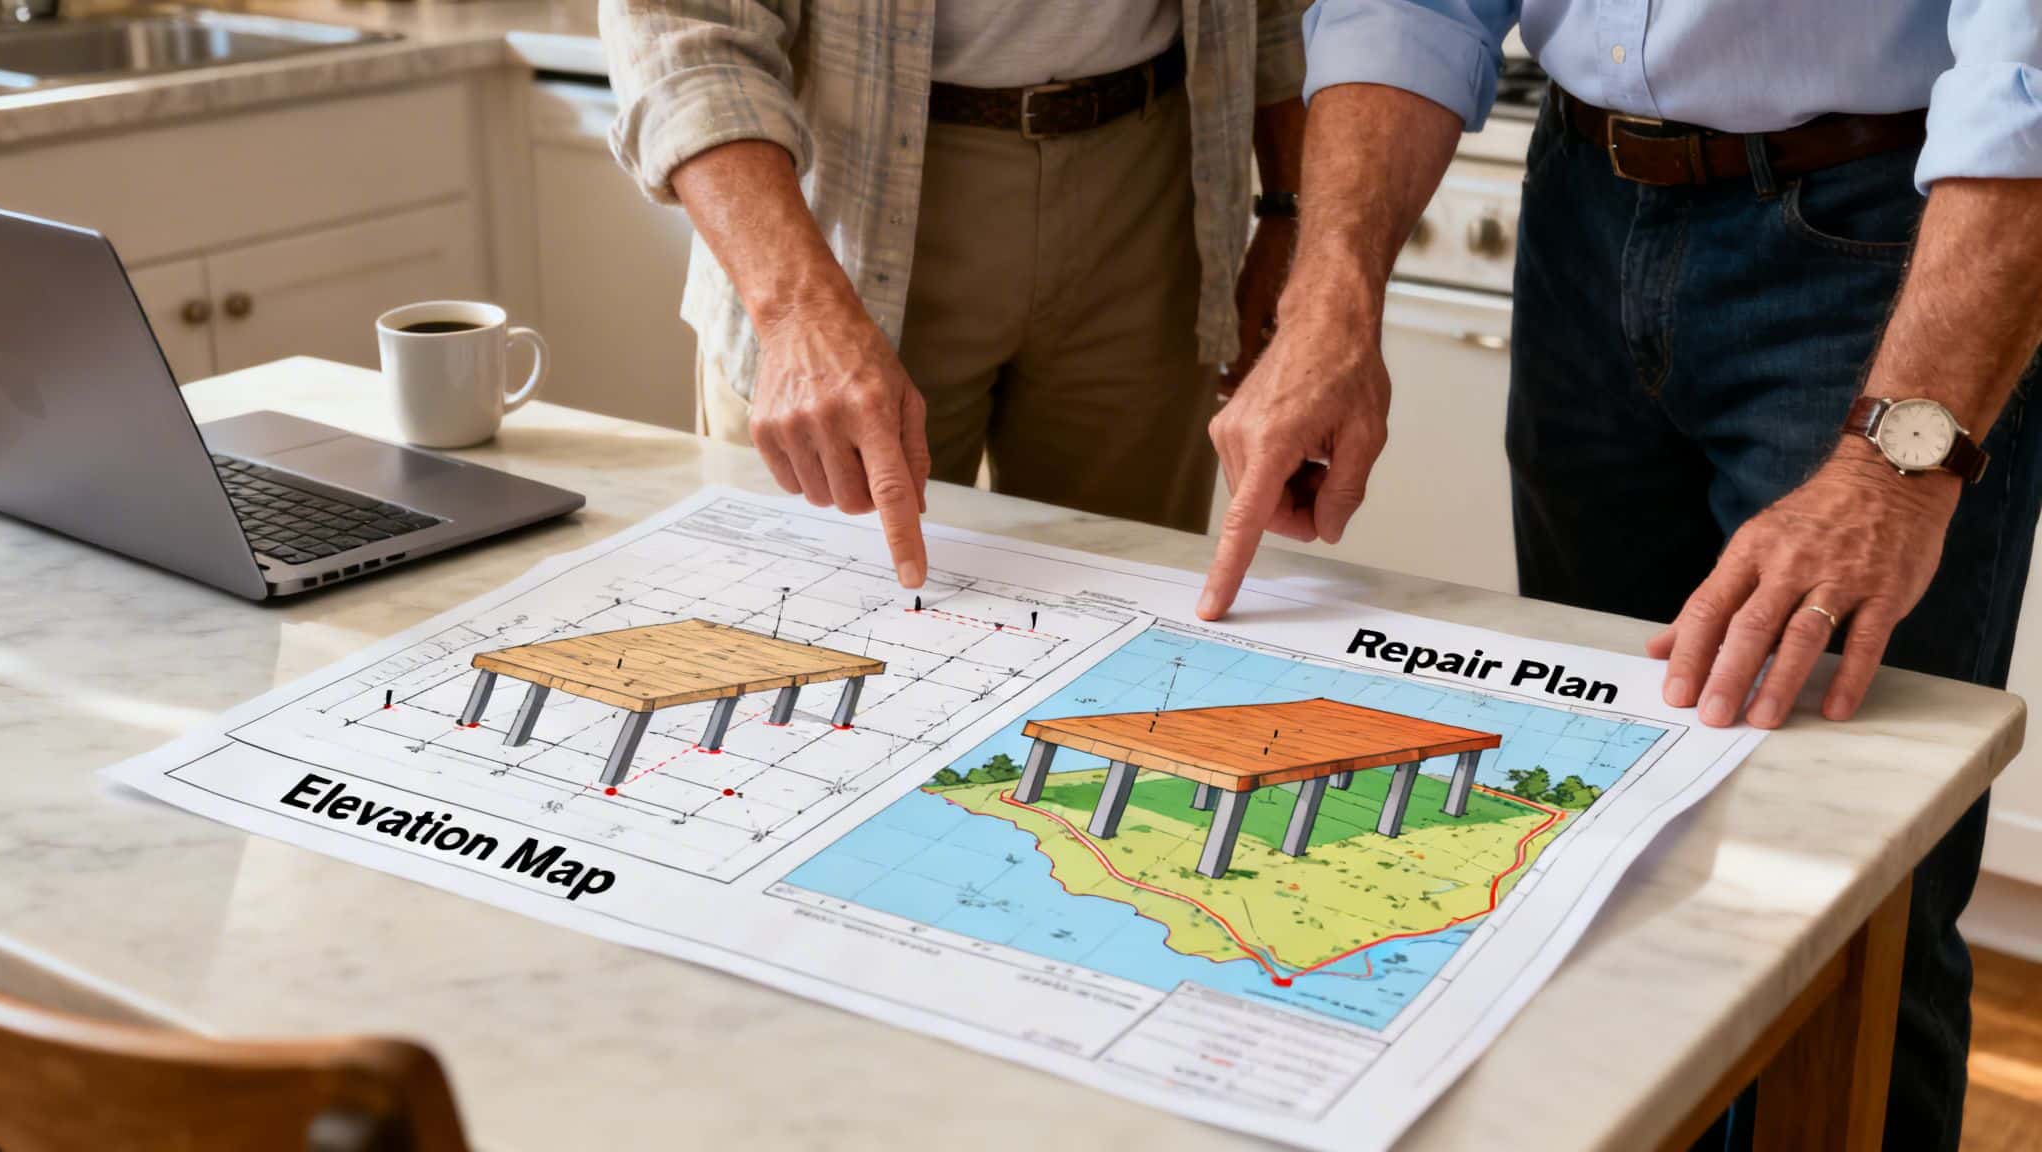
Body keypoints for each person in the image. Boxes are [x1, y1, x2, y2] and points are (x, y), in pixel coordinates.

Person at [1200, 0, 2042, 1146]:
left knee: (1842, 909)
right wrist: (1327, 289)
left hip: (1893, 232)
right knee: (1596, 853)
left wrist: (1895, 469)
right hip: (1581, 211)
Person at [602, 0, 1310, 589]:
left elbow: (1285, 10)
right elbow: (678, 28)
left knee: (1126, 599)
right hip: (839, 210)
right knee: (813, 611)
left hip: (1156, 187)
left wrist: (1289, 205)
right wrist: (795, 309)